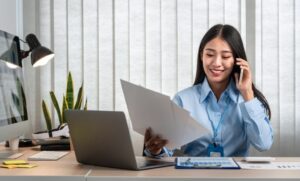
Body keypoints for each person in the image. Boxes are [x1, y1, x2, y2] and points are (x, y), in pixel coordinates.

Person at [144, 24, 273, 157]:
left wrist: (247, 93)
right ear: (202, 56)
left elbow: (263, 144)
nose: (216, 63)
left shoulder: (247, 100)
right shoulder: (183, 99)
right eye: (210, 54)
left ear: (236, 60)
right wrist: (156, 150)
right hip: (195, 175)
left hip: (236, 176)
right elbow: (166, 150)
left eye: (225, 56)